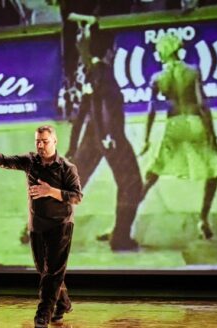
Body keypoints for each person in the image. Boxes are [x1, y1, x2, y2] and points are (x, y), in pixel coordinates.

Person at [0, 126, 83, 328]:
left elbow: (76, 197)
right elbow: (2, 160)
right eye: (37, 141)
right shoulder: (31, 161)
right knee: (44, 271)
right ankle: (62, 303)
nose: (40, 145)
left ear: (55, 141)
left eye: (45, 141)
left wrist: (50, 191)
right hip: (37, 225)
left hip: (61, 225)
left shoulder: (67, 168)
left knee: (53, 272)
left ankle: (42, 317)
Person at [65, 14, 142, 251]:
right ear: (110, 50)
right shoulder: (103, 72)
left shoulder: (90, 70)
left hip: (92, 134)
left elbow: (82, 113)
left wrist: (73, 144)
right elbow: (104, 107)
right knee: (132, 184)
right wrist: (109, 138)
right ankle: (120, 238)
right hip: (108, 135)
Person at [141, 33, 217, 240]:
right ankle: (203, 218)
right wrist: (212, 134)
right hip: (195, 123)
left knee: (152, 174)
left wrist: (146, 138)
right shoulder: (193, 72)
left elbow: (151, 110)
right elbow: (202, 104)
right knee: (213, 171)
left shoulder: (158, 78)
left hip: (174, 125)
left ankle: (124, 217)